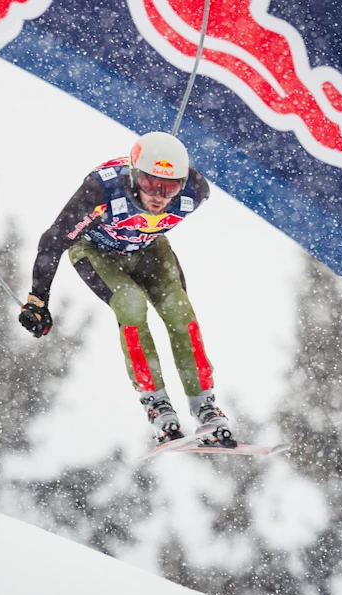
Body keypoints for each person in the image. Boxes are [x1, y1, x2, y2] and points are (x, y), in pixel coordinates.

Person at [18, 132, 233, 446]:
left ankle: (205, 406)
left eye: (169, 187)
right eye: (150, 185)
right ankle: (156, 405)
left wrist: (174, 289)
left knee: (178, 309)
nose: (159, 196)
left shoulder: (195, 192)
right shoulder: (99, 192)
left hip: (147, 248)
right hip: (96, 251)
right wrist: (38, 299)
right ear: (134, 175)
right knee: (131, 304)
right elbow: (52, 243)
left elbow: (169, 203)